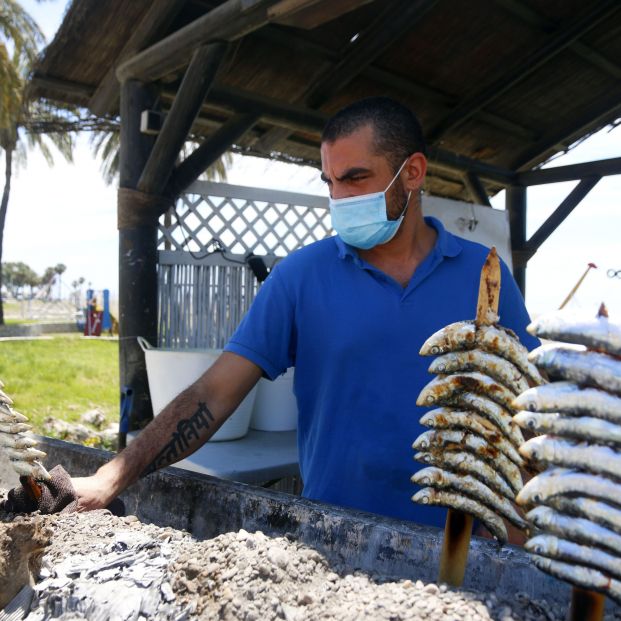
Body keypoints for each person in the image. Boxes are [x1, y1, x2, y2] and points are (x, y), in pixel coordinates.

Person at [72, 97, 538, 528]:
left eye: (355, 178)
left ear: (413, 172)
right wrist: (113, 475)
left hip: (466, 546)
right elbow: (214, 393)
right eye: (330, 182)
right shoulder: (300, 277)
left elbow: (528, 407)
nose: (339, 197)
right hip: (334, 543)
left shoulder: (485, 277)